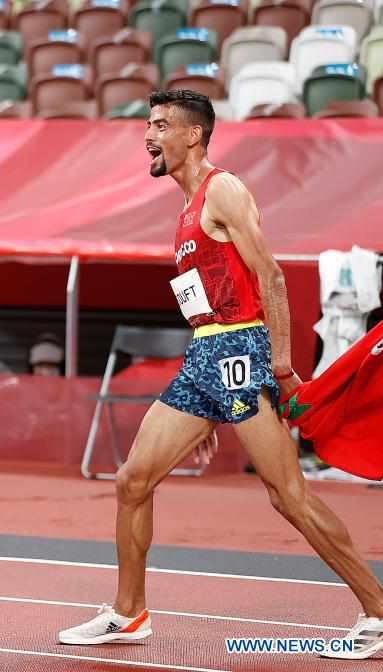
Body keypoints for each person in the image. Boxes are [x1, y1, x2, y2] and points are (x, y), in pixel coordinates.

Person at [58, 89, 383, 660]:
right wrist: (206, 409)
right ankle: (129, 614)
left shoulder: (223, 189)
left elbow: (272, 277)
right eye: (147, 125)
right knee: (132, 480)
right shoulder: (185, 209)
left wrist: (279, 369)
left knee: (289, 497)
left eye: (159, 125)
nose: (148, 136)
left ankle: (378, 613)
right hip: (206, 356)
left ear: (192, 135)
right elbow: (205, 301)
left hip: (240, 352)